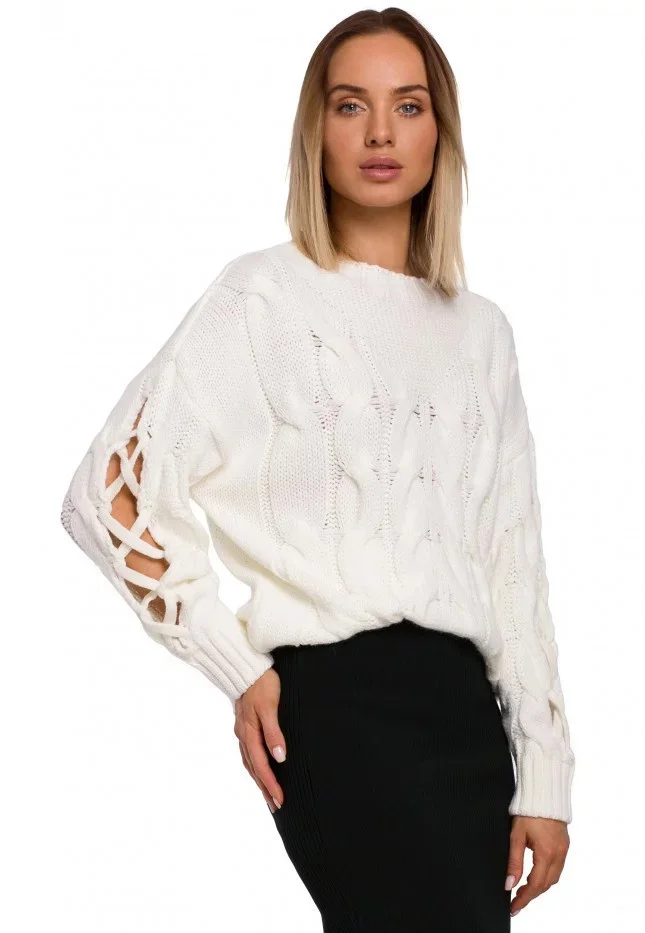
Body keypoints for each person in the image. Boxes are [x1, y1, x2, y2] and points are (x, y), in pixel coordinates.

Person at [60, 7, 574, 931]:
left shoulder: (483, 333)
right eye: (350, 105)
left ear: (440, 132)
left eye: (408, 106)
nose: (380, 133)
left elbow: (513, 563)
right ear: (316, 131)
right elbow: (110, 492)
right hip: (339, 713)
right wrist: (234, 663)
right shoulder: (262, 298)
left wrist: (544, 771)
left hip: (465, 721)